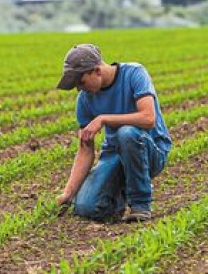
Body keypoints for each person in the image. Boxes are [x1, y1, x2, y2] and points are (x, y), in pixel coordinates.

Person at [55, 44, 171, 222]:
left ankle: (140, 204)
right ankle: (118, 196)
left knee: (127, 133)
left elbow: (148, 118)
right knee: (86, 207)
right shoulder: (84, 99)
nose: (79, 89)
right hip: (114, 155)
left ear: (97, 71)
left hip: (150, 149)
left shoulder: (134, 74)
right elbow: (85, 150)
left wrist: (104, 118)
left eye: (81, 81)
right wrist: (68, 193)